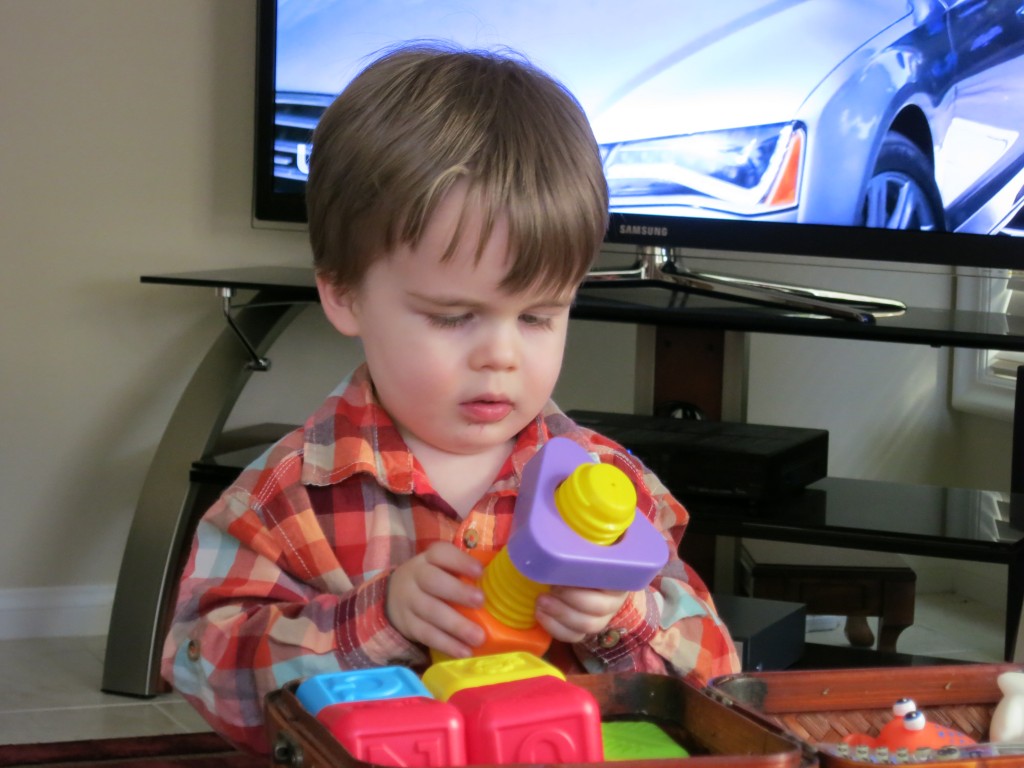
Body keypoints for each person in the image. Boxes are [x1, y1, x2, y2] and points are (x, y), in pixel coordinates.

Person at [162, 43, 739, 754]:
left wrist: (623, 617)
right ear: (343, 293)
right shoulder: (284, 499)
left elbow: (719, 683)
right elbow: (206, 673)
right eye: (451, 316)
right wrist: (374, 621)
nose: (500, 354)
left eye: (537, 316)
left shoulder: (609, 488)